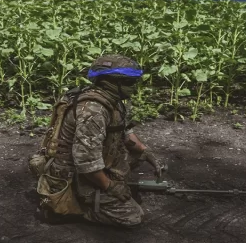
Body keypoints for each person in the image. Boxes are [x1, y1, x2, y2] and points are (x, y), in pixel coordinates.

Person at [29, 54, 164, 228]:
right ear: (111, 82)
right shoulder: (94, 111)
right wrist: (111, 187)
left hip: (89, 164)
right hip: (73, 173)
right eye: (129, 83)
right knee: (132, 216)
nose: (133, 88)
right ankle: (71, 207)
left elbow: (124, 131)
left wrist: (145, 151)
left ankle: (94, 192)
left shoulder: (112, 101)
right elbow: (86, 163)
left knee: (134, 157)